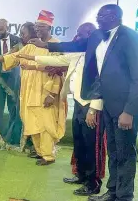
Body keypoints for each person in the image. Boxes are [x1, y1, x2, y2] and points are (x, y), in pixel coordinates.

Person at [29, 4, 138, 201]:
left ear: (114, 16)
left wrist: (129, 111)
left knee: (125, 154)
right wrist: (46, 45)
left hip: (124, 108)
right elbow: (76, 47)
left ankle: (124, 196)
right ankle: (113, 191)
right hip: (107, 105)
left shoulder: (130, 37)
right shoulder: (99, 35)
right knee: (114, 153)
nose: (97, 18)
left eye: (101, 15)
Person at [19, 23, 107, 195]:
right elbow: (58, 60)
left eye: (80, 34)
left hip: (91, 107)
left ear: (90, 34)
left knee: (91, 146)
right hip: (79, 103)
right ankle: (81, 175)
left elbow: (100, 83)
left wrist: (93, 109)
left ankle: (93, 183)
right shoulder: (79, 53)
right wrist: (31, 58)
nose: (77, 37)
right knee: (80, 142)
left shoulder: (99, 55)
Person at [0, 11, 67, 165]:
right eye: (37, 26)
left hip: (45, 93)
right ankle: (40, 152)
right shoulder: (32, 45)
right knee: (33, 122)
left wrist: (52, 94)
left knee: (46, 124)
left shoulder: (55, 45)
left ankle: (48, 156)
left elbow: (58, 73)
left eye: (41, 27)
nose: (38, 29)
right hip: (29, 92)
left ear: (49, 27)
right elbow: (14, 57)